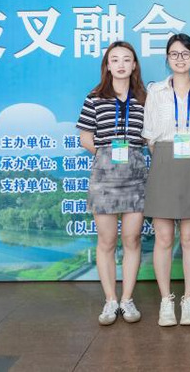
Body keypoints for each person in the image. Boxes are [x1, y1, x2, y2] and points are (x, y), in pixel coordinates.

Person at [76, 41, 148, 326]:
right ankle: (110, 300)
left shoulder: (144, 98)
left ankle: (127, 299)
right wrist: (107, 157)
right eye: (114, 59)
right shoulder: (94, 98)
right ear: (107, 65)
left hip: (136, 177)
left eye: (126, 59)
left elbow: (149, 137)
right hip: (104, 178)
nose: (120, 64)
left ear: (134, 65)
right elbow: (85, 138)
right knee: (106, 241)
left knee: (132, 239)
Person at [142, 34, 190, 327]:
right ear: (167, 58)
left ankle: (189, 299)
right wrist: (166, 154)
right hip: (164, 162)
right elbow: (150, 137)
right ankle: (166, 300)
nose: (180, 59)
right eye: (174, 54)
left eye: (185, 54)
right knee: (164, 238)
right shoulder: (155, 91)